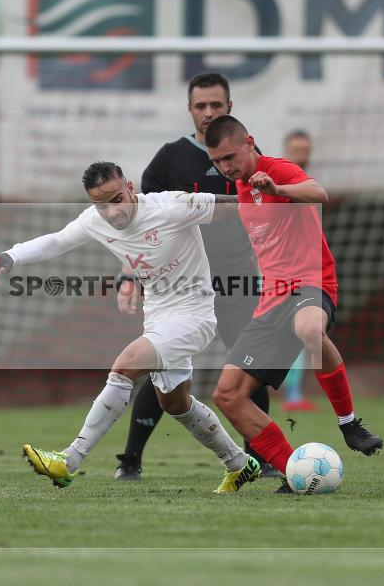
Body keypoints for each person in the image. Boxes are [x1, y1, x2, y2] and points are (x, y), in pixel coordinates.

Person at [0, 161, 260, 493]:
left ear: (129, 187)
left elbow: (234, 207)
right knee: (175, 404)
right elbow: (57, 241)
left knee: (125, 367)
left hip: (194, 315)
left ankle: (69, 460)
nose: (111, 212)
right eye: (100, 204)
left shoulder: (171, 206)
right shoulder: (95, 220)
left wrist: (275, 197)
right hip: (157, 317)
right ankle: (239, 463)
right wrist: (9, 256)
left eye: (116, 199)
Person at [112, 72, 282, 480]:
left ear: (229, 108)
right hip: (181, 285)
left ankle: (264, 457)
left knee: (249, 366)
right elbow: (137, 224)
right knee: (164, 365)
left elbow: (271, 214)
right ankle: (131, 460)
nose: (209, 112)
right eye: (201, 105)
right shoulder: (170, 159)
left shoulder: (247, 156)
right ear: (190, 110)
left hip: (237, 278)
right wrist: (129, 274)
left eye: (216, 105)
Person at [203, 116, 383, 493]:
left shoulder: (277, 170)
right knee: (227, 394)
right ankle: (293, 471)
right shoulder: (240, 189)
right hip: (272, 297)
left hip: (311, 283)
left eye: (230, 157)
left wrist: (280, 188)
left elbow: (319, 193)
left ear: (249, 142)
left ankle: (349, 424)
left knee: (308, 330)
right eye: (217, 161)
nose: (225, 166)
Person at [280, 129, 318, 413]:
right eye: (296, 149)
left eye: (305, 149)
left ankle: (293, 394)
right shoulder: (279, 185)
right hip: (273, 274)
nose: (301, 154)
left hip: (301, 272)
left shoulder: (308, 186)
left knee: (300, 334)